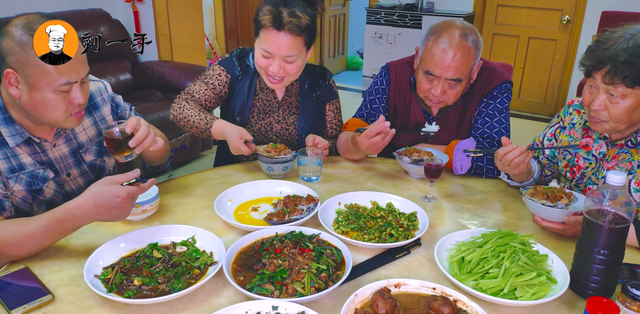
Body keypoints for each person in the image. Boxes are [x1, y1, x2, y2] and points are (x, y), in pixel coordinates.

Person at [0, 13, 171, 265]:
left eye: (83, 79)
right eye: (64, 89)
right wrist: (82, 211)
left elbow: (159, 154)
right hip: (44, 267)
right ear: (14, 82)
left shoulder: (98, 93)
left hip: (114, 250)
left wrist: (154, 140)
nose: (81, 97)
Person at [495, 24, 640, 248]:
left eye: (613, 95)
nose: (594, 104)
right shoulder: (575, 114)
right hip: (548, 243)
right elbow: (540, 167)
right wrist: (522, 170)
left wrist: (594, 226)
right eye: (591, 86)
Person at [170, 0, 343, 167]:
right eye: (266, 55)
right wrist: (224, 129)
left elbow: (337, 141)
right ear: (255, 42)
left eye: (289, 60)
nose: (275, 69)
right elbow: (181, 108)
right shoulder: (235, 68)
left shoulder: (320, 82)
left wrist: (323, 146)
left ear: (308, 52)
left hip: (296, 185)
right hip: (237, 184)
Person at [338, 20, 513, 178]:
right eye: (429, 78)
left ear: (474, 72)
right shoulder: (392, 75)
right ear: (417, 58)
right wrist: (358, 145)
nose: (437, 92)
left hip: (460, 195)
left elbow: (493, 159)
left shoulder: (493, 85)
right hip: (396, 186)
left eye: (452, 83)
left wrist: (423, 152)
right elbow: (347, 138)